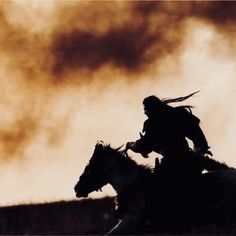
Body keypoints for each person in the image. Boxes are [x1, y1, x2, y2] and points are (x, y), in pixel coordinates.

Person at [126, 91, 212, 177]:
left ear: (151, 109)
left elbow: (146, 145)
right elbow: (198, 138)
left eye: (145, 109)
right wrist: (199, 152)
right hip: (188, 162)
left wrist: (132, 145)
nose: (145, 112)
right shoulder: (179, 115)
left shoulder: (153, 123)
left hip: (170, 164)